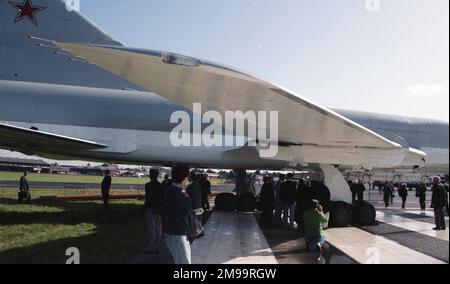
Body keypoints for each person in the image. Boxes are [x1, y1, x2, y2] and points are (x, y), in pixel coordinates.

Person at [162, 165, 193, 264]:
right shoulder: (174, 192)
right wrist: (186, 196)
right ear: (184, 179)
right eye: (187, 177)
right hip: (176, 234)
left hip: (178, 233)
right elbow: (185, 210)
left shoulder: (174, 190)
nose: (188, 180)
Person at [143, 169, 165, 254]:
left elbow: (148, 198)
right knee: (158, 229)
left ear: (150, 175)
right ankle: (157, 247)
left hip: (150, 208)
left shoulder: (147, 185)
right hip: (158, 209)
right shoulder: (161, 186)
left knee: (151, 229)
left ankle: (151, 248)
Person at [303, 199, 329, 263]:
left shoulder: (305, 213)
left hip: (308, 234)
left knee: (309, 239)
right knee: (324, 237)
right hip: (317, 235)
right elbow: (325, 221)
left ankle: (308, 243)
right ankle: (319, 243)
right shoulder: (318, 213)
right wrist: (321, 210)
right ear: (317, 206)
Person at [186, 172, 205, 240]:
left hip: (194, 206)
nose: (187, 178)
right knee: (198, 220)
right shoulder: (197, 185)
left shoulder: (191, 186)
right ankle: (201, 232)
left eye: (188, 177)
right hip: (199, 205)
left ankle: (196, 233)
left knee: (194, 221)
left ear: (191, 177)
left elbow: (189, 197)